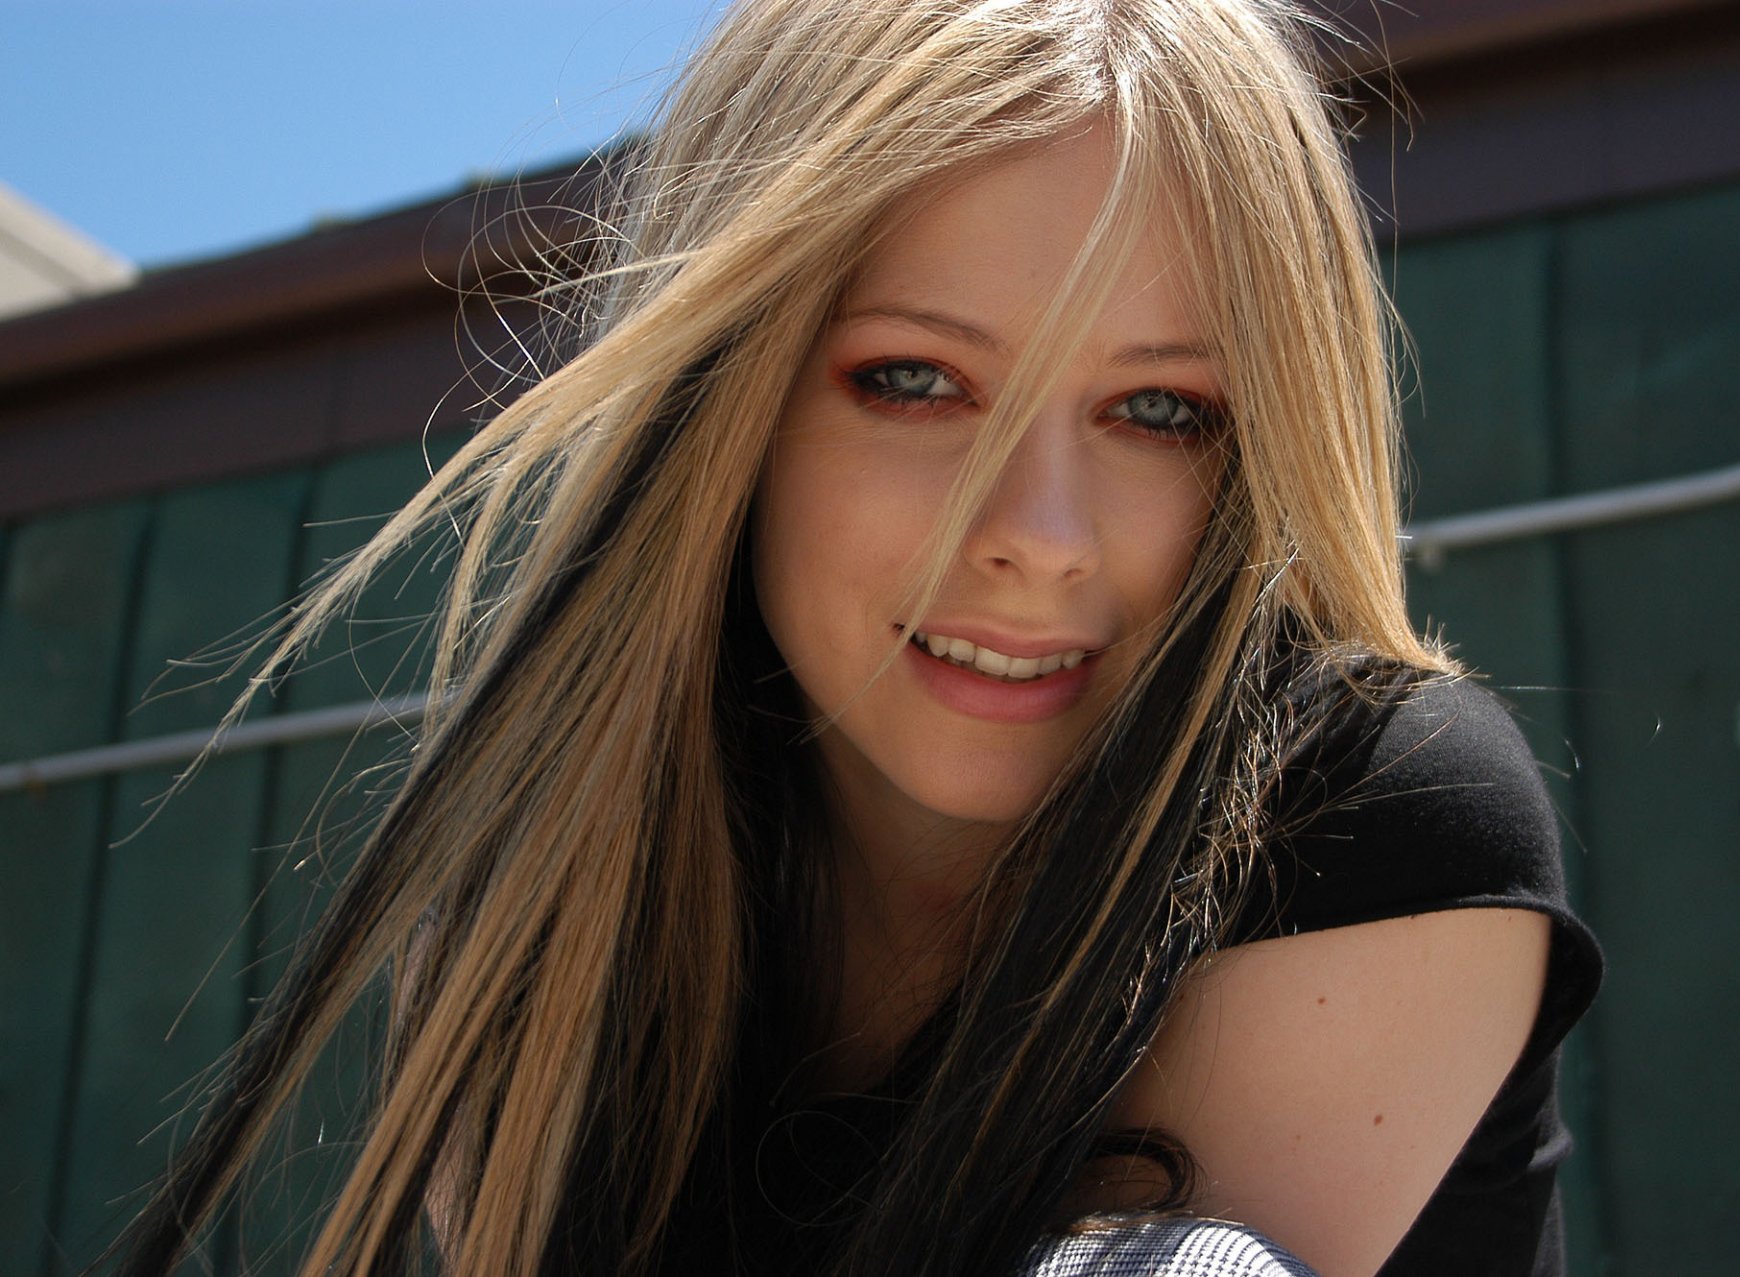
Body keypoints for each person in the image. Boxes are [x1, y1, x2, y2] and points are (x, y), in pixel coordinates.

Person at [109, 1, 1600, 1274]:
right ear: (723, 407)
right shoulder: (532, 939)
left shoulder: (1368, 804)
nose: (1043, 534)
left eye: (1160, 410)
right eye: (912, 381)